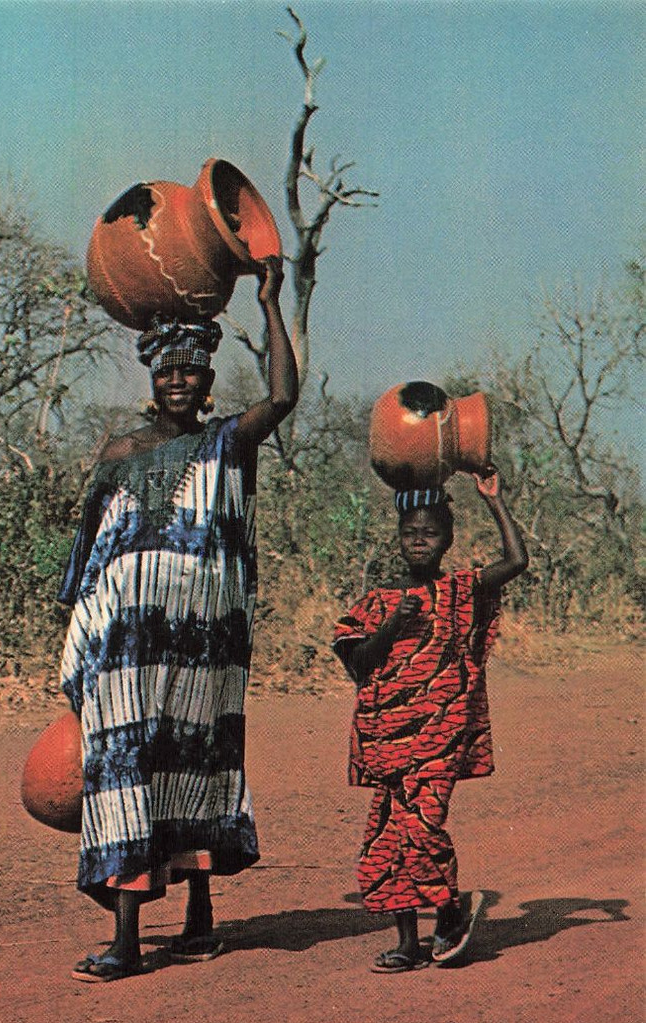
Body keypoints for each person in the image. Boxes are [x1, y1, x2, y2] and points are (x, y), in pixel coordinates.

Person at [58, 256, 297, 982]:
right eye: (167, 370)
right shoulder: (120, 451)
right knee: (126, 770)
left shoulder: (229, 441)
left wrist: (269, 301)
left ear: (208, 381)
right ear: (151, 376)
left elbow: (284, 394)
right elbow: (89, 556)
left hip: (202, 644)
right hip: (130, 648)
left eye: (192, 371)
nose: (178, 380)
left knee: (194, 764)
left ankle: (198, 919)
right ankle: (129, 941)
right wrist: (80, 632)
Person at [332, 473, 528, 973]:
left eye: (431, 533)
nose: (419, 540)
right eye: (410, 532)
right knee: (387, 837)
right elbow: (357, 666)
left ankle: (448, 912)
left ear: (448, 540)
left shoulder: (462, 589)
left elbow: (516, 562)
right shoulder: (376, 602)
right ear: (398, 538)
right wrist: (394, 624)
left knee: (422, 826)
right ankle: (407, 942)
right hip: (387, 738)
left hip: (441, 734)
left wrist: (494, 500)